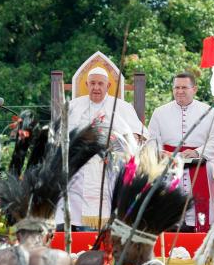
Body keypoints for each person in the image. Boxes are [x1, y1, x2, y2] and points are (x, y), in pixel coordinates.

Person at [56, 66, 148, 231]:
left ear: (108, 86)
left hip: (111, 169)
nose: (96, 87)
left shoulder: (122, 107)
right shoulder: (73, 106)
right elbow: (60, 137)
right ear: (87, 84)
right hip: (80, 170)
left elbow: (140, 136)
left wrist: (129, 138)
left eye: (100, 84)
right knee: (73, 199)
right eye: (92, 83)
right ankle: (79, 237)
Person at [147, 71, 214, 232]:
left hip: (200, 159)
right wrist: (163, 154)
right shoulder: (159, 112)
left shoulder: (209, 112)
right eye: (176, 87)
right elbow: (152, 140)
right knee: (161, 173)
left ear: (194, 89)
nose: (179, 91)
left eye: (184, 87)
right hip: (168, 159)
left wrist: (197, 152)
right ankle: (170, 222)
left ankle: (200, 224)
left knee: (207, 169)